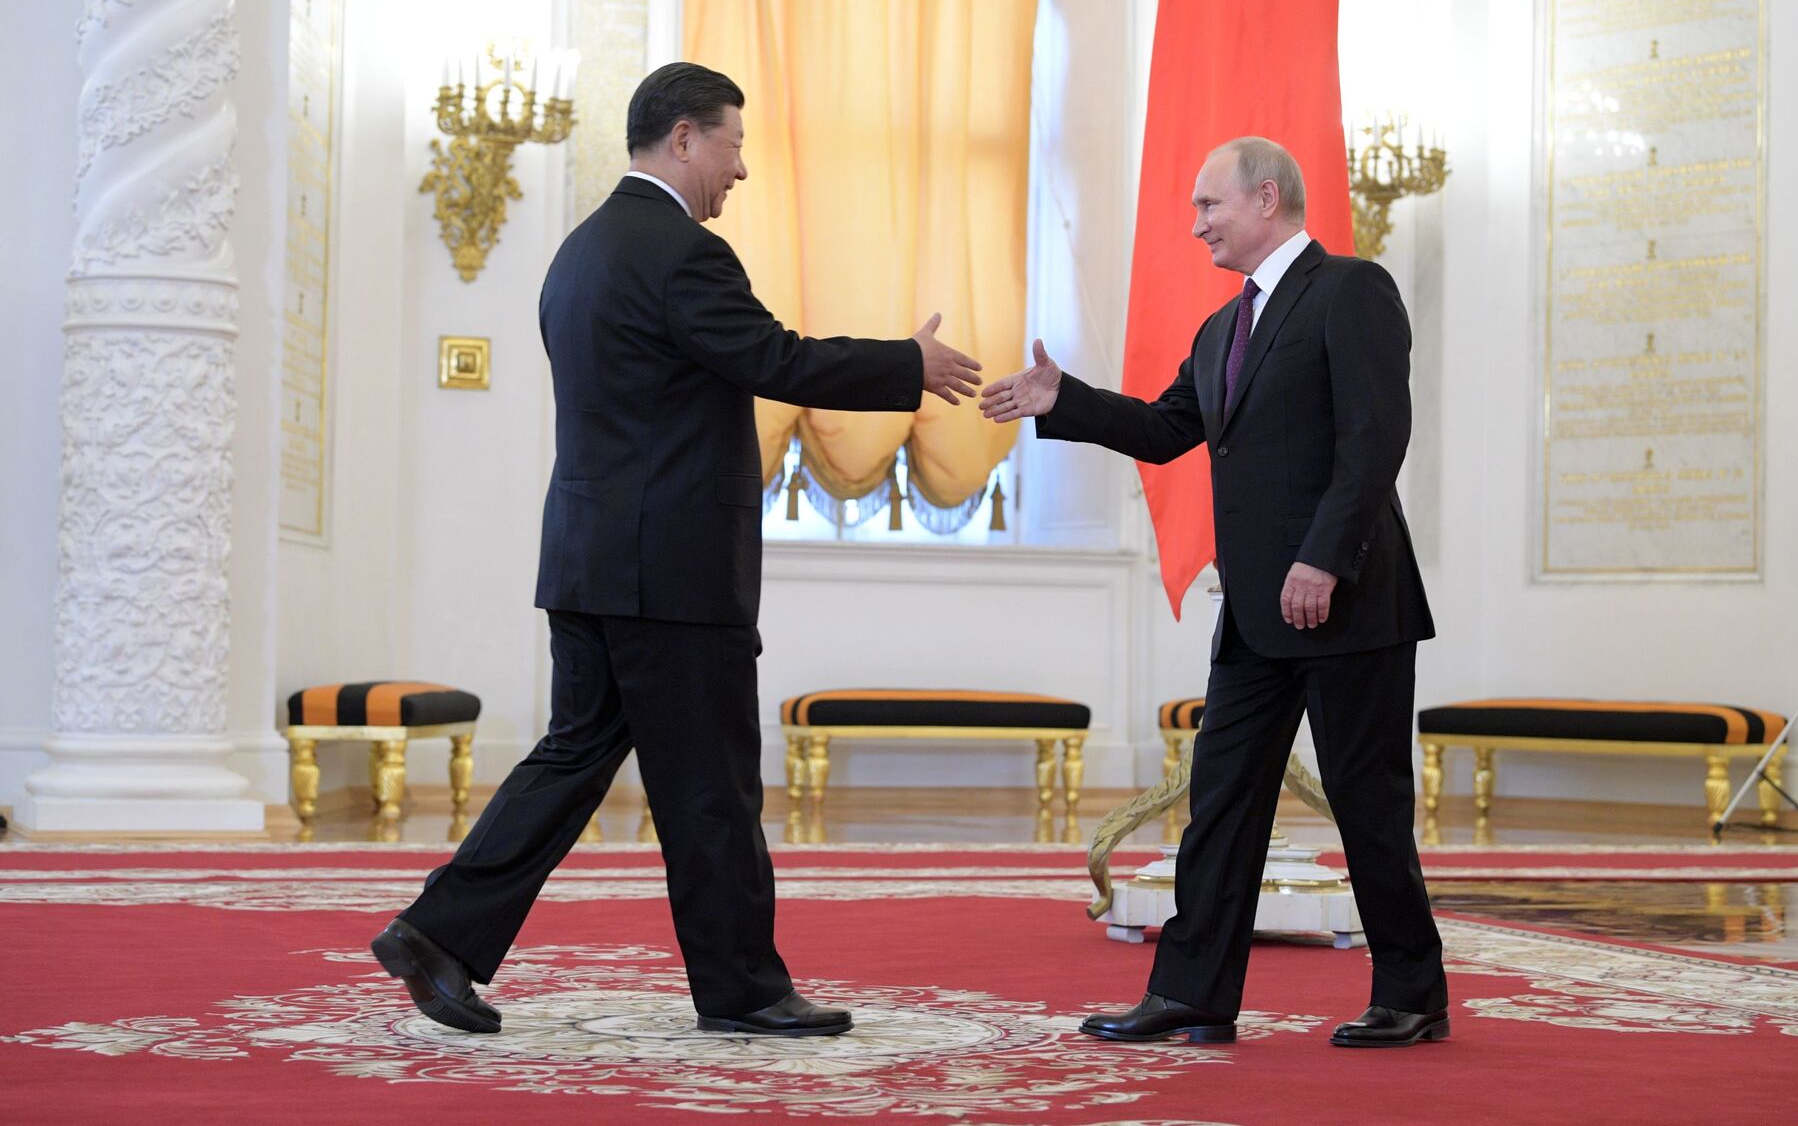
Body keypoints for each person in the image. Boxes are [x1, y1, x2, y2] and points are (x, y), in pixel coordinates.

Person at [372, 61, 984, 1038]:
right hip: (670, 573)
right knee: (711, 786)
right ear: (686, 138)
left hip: (589, 556)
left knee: (574, 756)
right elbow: (775, 356)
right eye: (734, 144)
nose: (740, 169)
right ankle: (744, 986)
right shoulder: (681, 252)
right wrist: (906, 362)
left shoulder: (580, 250)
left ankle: (437, 931)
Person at [981, 136, 1446, 1048]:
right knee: (1223, 800)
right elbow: (1163, 430)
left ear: (1265, 199)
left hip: (1348, 599)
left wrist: (1324, 558)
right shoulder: (1222, 328)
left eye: (1209, 207)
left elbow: (1376, 437)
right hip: (1256, 616)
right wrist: (1062, 401)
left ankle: (1411, 994)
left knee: (1368, 806)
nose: (1196, 225)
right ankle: (1192, 993)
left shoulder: (1351, 290)